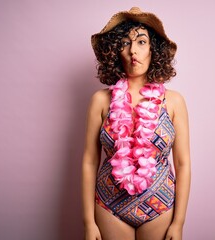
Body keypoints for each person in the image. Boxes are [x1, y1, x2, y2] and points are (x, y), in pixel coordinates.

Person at [82, 7, 191, 240]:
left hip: (160, 208)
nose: (133, 51)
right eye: (124, 43)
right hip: (109, 207)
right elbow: (90, 161)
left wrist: (179, 223)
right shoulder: (101, 101)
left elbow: (182, 164)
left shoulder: (173, 102)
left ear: (154, 49)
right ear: (115, 51)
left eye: (142, 42)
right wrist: (88, 222)